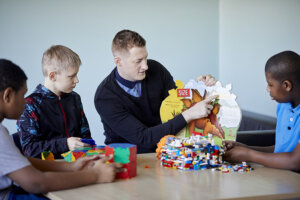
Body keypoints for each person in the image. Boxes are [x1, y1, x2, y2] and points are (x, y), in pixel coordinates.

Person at [0, 59, 122, 200]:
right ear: (7, 95)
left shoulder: (74, 99)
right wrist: (96, 175)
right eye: (22, 95)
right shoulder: (4, 133)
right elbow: (36, 183)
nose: (24, 100)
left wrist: (71, 166)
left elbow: (22, 161)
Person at [94, 29, 217, 153]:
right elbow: (144, 138)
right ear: (118, 61)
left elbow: (177, 105)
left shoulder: (156, 70)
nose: (145, 66)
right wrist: (189, 114)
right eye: (138, 61)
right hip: (129, 159)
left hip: (165, 150)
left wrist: (200, 89)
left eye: (145, 58)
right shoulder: (105, 97)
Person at [223, 50, 300, 171]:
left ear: (286, 86)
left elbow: (295, 161)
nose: (267, 89)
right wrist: (245, 148)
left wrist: (248, 155)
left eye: (270, 85)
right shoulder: (283, 106)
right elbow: (280, 151)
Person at [17, 45, 92, 159]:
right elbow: (29, 150)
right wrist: (65, 144)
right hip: (49, 169)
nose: (77, 80)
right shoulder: (29, 105)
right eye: (72, 76)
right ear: (52, 76)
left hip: (78, 164)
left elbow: (86, 137)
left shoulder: (75, 98)